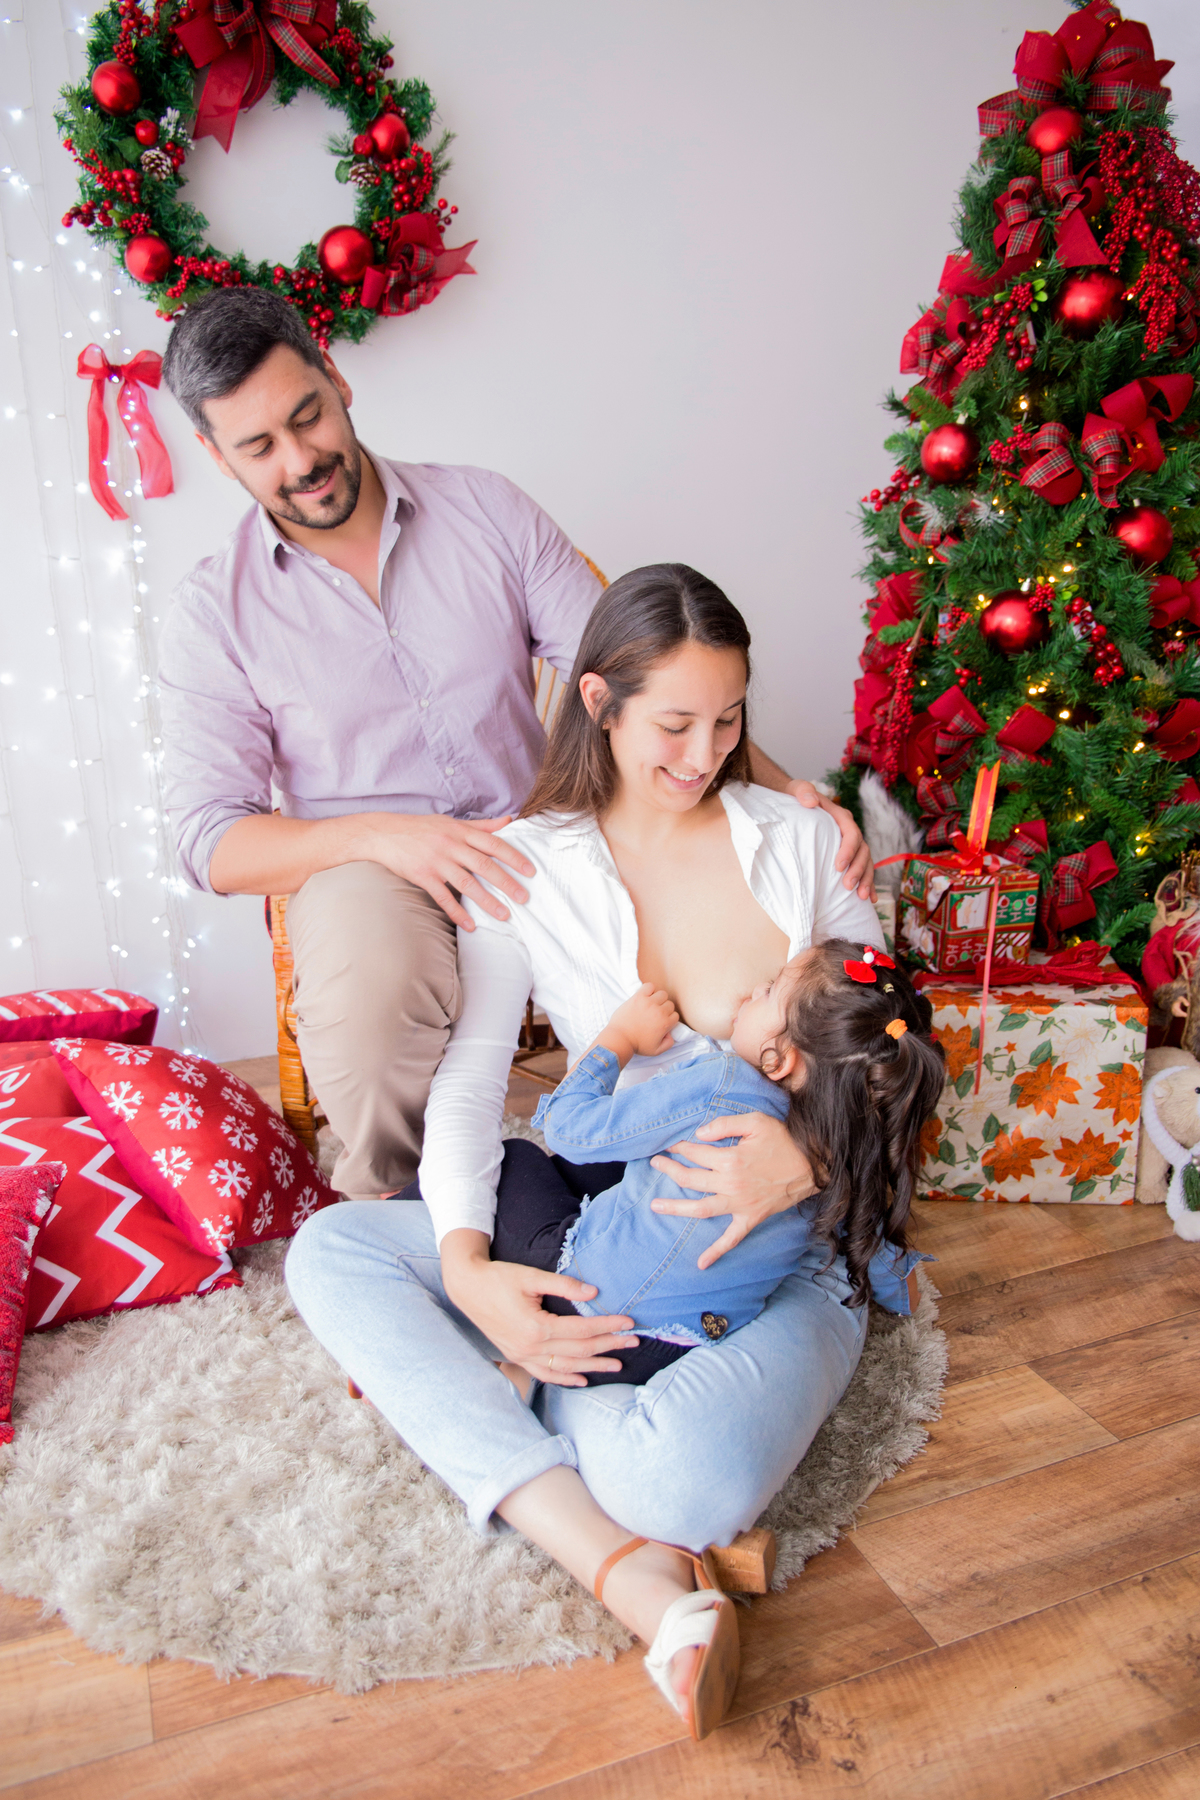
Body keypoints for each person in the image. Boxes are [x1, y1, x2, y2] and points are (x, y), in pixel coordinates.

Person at [286, 566, 889, 1741]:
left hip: (776, 1256)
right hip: (600, 1221)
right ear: (600, 701)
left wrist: (811, 1164)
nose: (705, 752)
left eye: (730, 721)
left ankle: (511, 1416)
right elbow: (471, 1081)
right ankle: (627, 1571)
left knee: (682, 1484)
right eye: (675, 723)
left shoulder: (803, 844)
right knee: (332, 1252)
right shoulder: (528, 863)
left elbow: (895, 1048)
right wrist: (466, 1270)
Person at [158, 288, 873, 1202]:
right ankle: (404, 1211)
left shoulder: (484, 510)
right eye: (259, 446)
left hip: (542, 839)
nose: (301, 460)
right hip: (371, 872)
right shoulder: (210, 614)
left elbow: (638, 678)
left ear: (337, 381)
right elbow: (210, 839)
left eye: (308, 417)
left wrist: (784, 789)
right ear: (215, 456)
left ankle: (700, 1163)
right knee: (373, 990)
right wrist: (384, 836)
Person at [489, 941, 943, 1393]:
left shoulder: (722, 1084)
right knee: (613, 1176)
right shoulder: (840, 1153)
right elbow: (870, 1240)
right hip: (672, 1348)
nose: (750, 992)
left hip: (585, 1318)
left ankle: (520, 1373)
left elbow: (570, 1132)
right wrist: (904, 1289)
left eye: (767, 992)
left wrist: (620, 1038)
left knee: (518, 1157)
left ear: (780, 1059)